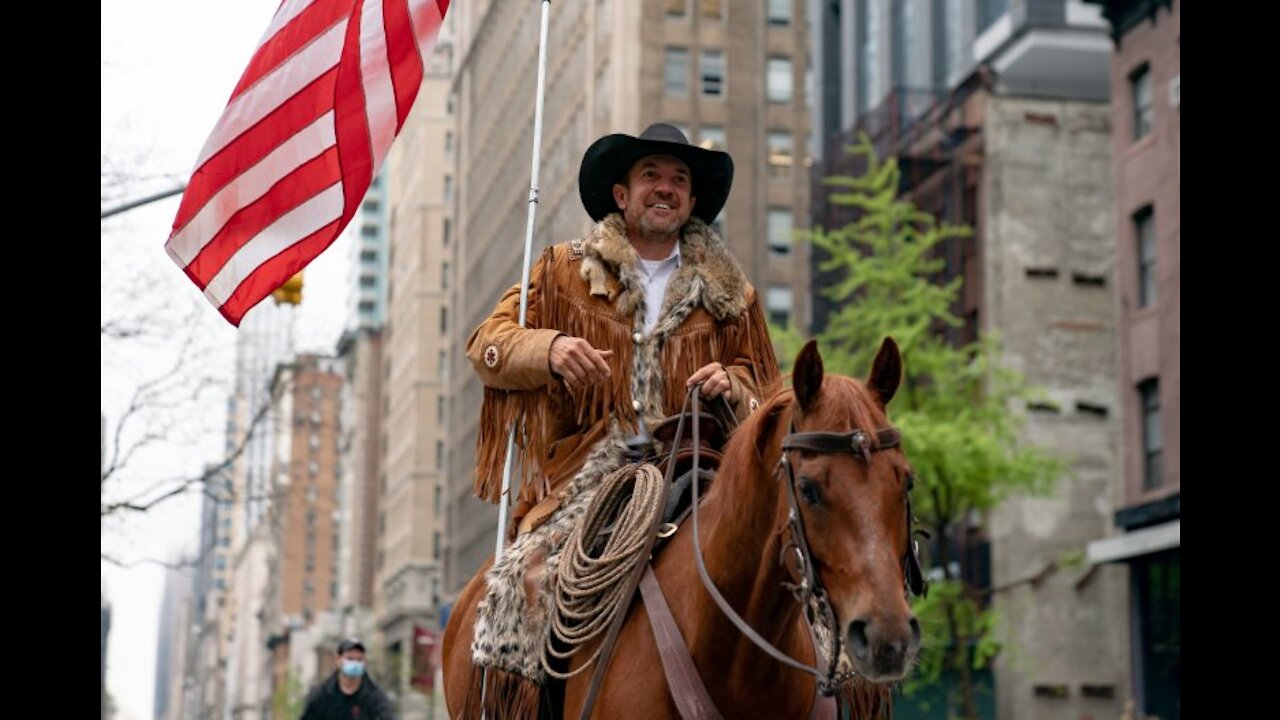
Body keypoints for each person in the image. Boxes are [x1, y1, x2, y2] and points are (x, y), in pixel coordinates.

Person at [465, 122, 781, 685]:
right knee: (528, 582)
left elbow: (770, 396)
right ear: (621, 194)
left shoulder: (735, 296)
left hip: (699, 469)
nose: (665, 189)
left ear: (692, 200)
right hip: (586, 479)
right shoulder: (564, 270)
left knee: (799, 574)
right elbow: (486, 343)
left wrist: (733, 386)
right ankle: (519, 702)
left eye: (678, 180)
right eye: (651, 176)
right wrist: (551, 347)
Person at [300, 639, 397, 720]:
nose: (355, 663)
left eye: (359, 659)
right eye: (350, 659)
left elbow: (388, 715)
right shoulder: (321, 694)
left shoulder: (374, 696)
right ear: (338, 660)